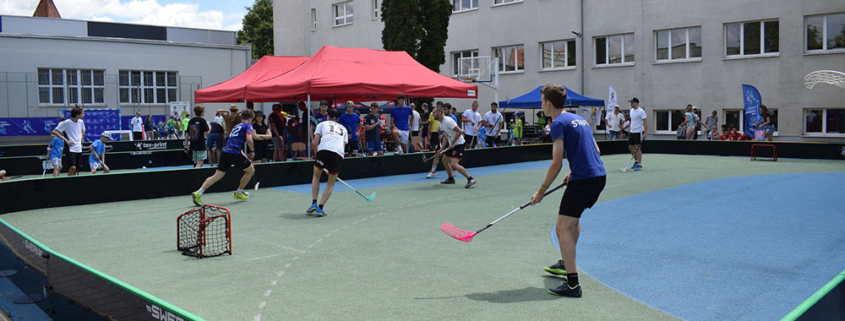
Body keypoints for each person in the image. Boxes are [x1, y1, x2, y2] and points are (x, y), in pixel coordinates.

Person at [531, 84, 606, 298]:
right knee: (573, 220)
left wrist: (541, 191)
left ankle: (573, 285)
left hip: (584, 180)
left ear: (548, 103)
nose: (541, 104)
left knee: (562, 227)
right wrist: (576, 171)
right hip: (598, 176)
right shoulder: (578, 119)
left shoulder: (557, 124)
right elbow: (596, 149)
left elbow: (556, 164)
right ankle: (566, 262)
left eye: (542, 100)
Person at [191, 109, 271, 206]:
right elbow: (249, 139)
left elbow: (236, 143)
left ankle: (198, 193)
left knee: (217, 175)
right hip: (234, 153)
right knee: (251, 170)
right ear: (250, 118)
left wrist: (245, 156)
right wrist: (252, 151)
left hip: (226, 152)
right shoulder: (248, 125)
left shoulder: (236, 126)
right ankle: (239, 192)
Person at [306, 108, 348, 217]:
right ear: (337, 119)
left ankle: (314, 202)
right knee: (331, 183)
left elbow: (314, 143)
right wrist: (331, 167)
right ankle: (320, 208)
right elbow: (341, 148)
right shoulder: (344, 129)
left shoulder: (322, 124)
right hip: (338, 154)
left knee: (316, 176)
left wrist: (317, 158)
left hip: (323, 150)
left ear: (327, 116)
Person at [433, 105, 477, 188]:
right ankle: (451, 179)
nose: (433, 114)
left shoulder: (448, 121)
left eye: (434, 113)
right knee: (445, 160)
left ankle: (470, 179)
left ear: (439, 113)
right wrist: (442, 148)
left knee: (454, 164)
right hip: (452, 144)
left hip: (459, 144)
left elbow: (459, 131)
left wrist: (452, 142)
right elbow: (446, 136)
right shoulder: (440, 123)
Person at [52, 106, 85, 176]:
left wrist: (82, 136)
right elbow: (54, 131)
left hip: (79, 148)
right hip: (70, 148)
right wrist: (66, 140)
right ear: (77, 115)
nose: (83, 115)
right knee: (72, 167)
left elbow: (83, 129)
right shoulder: (66, 122)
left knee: (76, 169)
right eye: (82, 114)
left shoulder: (81, 122)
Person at [628, 97, 647, 171]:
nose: (631, 104)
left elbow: (645, 122)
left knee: (637, 148)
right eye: (631, 103)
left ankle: (639, 164)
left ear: (636, 103)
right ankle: (636, 161)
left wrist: (645, 133)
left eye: (632, 102)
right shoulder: (631, 111)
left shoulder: (641, 111)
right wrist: (630, 128)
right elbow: (632, 121)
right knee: (630, 148)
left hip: (638, 132)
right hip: (632, 132)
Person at [425, 102, 443, 179]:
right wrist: (429, 134)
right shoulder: (432, 114)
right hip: (434, 134)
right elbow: (429, 124)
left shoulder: (444, 116)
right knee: (437, 152)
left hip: (443, 134)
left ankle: (454, 168)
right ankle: (433, 171)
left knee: (444, 154)